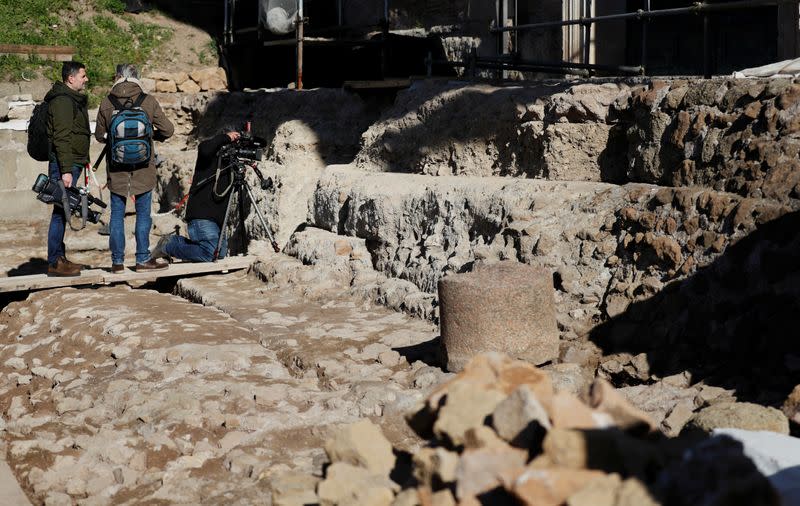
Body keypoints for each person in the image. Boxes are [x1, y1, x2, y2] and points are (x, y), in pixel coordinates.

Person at [95, 63, 174, 273]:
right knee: (143, 214)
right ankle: (142, 260)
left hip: (116, 169)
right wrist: (150, 136)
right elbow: (168, 130)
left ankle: (117, 262)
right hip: (144, 168)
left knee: (117, 215)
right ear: (137, 77)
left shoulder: (106, 102)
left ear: (117, 77)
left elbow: (98, 136)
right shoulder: (147, 101)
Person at [150, 130, 242, 262]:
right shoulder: (209, 156)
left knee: (220, 254)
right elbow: (204, 148)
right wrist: (226, 137)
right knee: (211, 254)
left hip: (217, 221)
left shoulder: (230, 165)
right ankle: (169, 245)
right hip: (202, 215)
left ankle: (174, 242)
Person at [45, 61, 90, 277]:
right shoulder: (63, 101)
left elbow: (76, 134)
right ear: (70, 78)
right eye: (83, 75)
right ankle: (54, 261)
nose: (86, 79)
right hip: (65, 165)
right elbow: (61, 137)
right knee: (59, 211)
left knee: (62, 211)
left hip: (72, 163)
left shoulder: (70, 99)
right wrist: (65, 170)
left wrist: (84, 159)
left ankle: (59, 258)